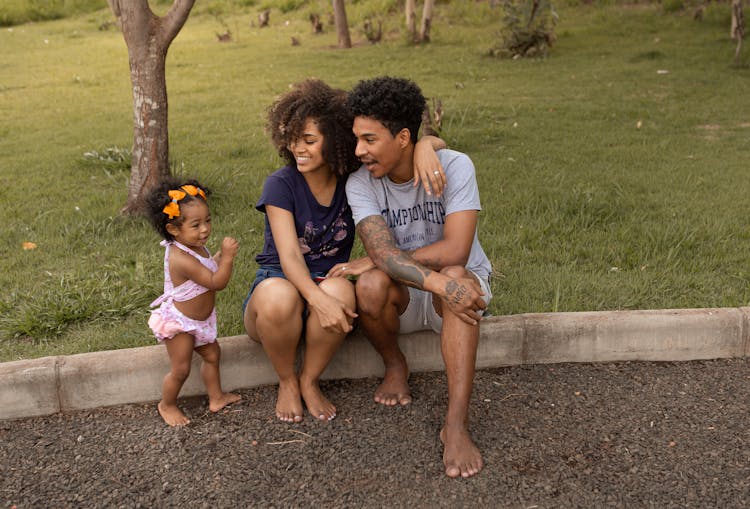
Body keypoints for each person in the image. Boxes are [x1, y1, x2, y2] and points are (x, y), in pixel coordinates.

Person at [243, 78, 446, 424]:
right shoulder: (280, 184)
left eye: (309, 140)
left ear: (334, 139)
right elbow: (289, 257)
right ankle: (288, 380)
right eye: (293, 139)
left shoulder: (353, 179)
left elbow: (406, 144)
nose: (299, 149)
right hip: (278, 283)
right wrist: (317, 300)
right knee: (281, 297)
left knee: (339, 289)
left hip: (329, 279)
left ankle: (309, 380)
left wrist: (426, 143)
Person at [333, 76, 492, 478]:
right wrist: (383, 262)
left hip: (454, 286)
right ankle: (394, 365)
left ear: (403, 138)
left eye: (369, 139)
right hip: (406, 292)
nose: (359, 151)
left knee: (456, 273)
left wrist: (385, 259)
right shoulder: (360, 183)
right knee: (369, 284)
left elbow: (455, 249)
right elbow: (381, 255)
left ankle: (455, 423)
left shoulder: (455, 166)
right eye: (357, 139)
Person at [146, 178, 241, 426]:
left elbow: (209, 266)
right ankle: (166, 405)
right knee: (181, 369)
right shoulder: (181, 257)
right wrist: (228, 258)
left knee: (212, 355)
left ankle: (216, 397)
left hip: (200, 322)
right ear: (174, 230)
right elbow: (216, 281)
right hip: (181, 323)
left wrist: (219, 256)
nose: (205, 229)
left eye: (207, 221)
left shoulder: (197, 247)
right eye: (196, 225)